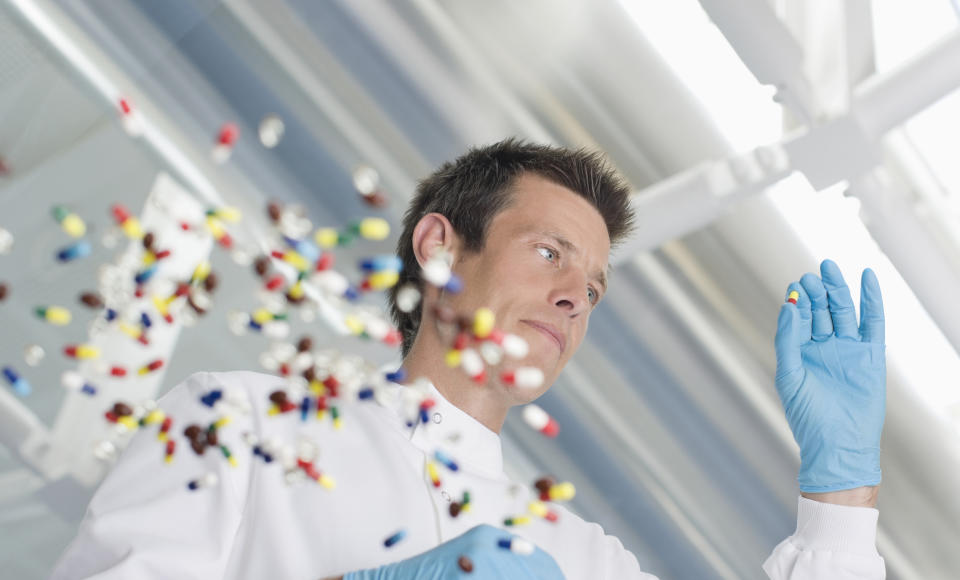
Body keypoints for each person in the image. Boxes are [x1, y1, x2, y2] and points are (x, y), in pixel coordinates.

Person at [51, 139, 886, 579]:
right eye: (552, 254)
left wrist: (840, 493)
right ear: (441, 249)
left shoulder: (581, 558)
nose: (574, 298)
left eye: (594, 289)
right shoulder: (234, 425)